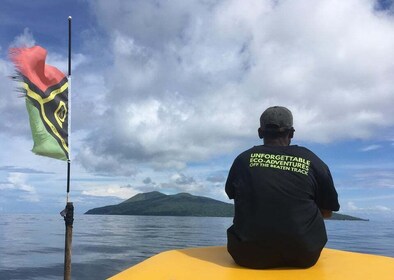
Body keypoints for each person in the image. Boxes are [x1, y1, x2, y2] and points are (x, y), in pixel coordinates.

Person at [225, 106, 340, 269]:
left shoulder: (242, 160)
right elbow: (328, 211)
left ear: (260, 132)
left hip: (247, 255)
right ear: (292, 133)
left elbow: (235, 196)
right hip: (305, 255)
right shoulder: (313, 161)